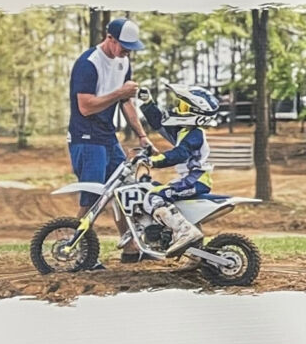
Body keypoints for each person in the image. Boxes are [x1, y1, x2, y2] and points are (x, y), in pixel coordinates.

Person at [68, 18, 143, 257]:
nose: (126, 52)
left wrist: (142, 136)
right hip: (86, 137)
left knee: (123, 191)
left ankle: (130, 246)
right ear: (109, 38)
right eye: (123, 46)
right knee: (92, 197)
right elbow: (86, 107)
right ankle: (76, 249)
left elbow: (126, 103)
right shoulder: (88, 63)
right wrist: (120, 92)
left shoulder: (124, 62)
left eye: (130, 48)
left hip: (108, 137)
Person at [144, 85, 222, 257]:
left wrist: (154, 161)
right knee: (149, 188)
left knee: (154, 196)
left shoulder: (195, 135)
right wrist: (147, 103)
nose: (178, 109)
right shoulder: (184, 131)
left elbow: (180, 154)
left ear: (195, 112)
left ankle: (184, 231)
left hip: (195, 179)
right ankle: (194, 255)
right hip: (191, 178)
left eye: (183, 106)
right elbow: (159, 123)